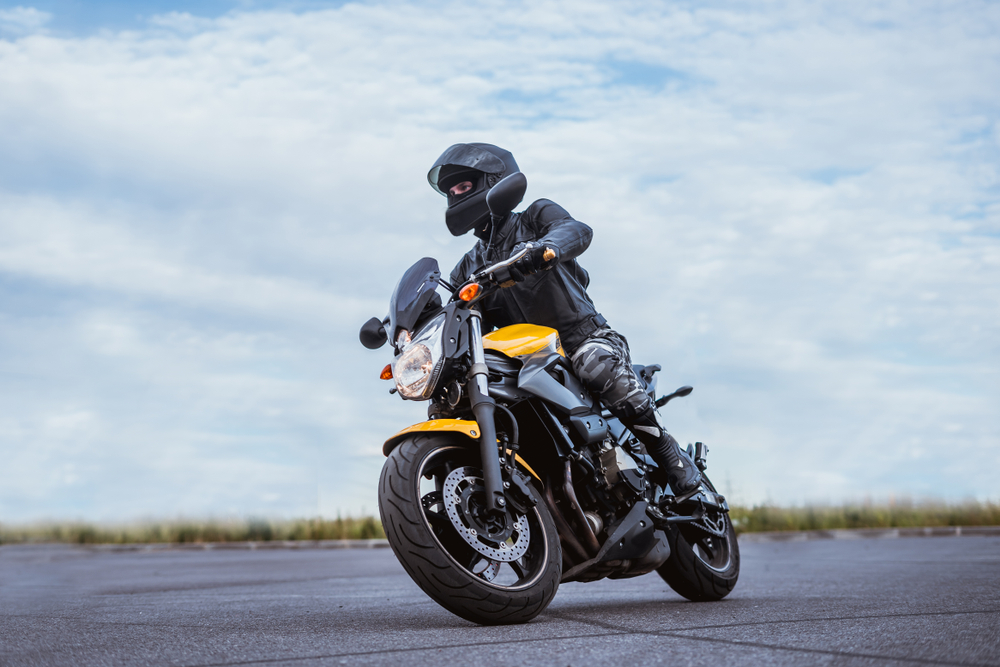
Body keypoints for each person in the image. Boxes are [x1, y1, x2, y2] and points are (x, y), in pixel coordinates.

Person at [428, 142, 700, 494]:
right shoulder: (468, 266)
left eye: (463, 186)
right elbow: (453, 310)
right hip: (528, 362)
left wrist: (545, 248)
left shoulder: (535, 218)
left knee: (593, 362)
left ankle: (669, 454)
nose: (455, 195)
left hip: (583, 339)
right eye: (450, 192)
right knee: (453, 396)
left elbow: (575, 229)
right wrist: (417, 320)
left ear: (492, 182)